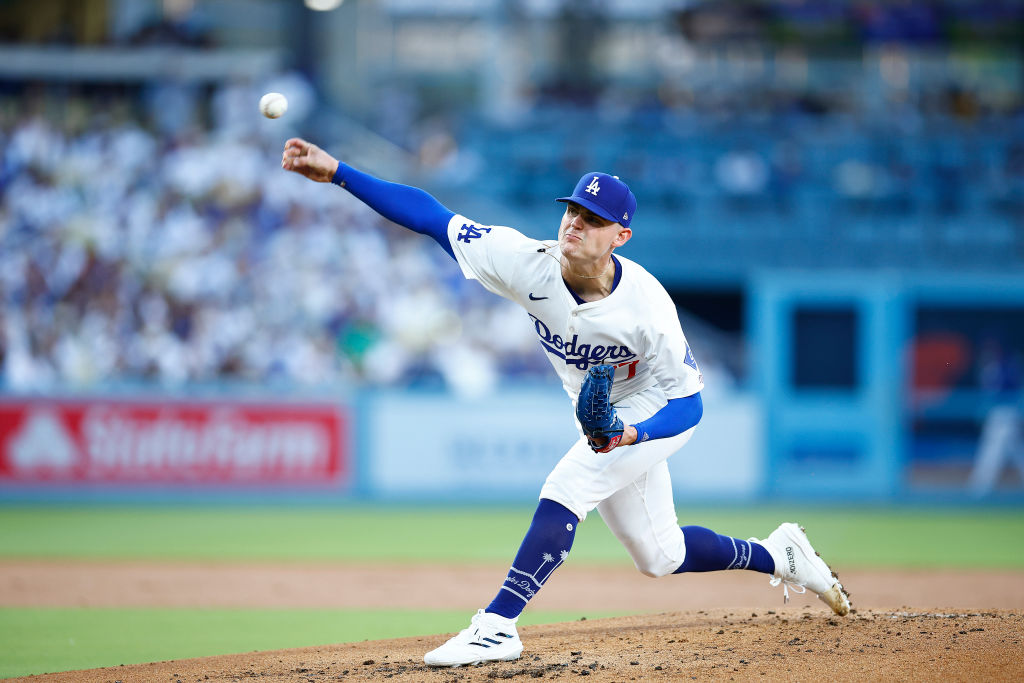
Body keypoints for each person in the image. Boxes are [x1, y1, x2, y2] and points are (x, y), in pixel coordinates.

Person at [280, 138, 851, 667]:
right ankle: (780, 555)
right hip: (603, 418)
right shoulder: (524, 260)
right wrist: (337, 173)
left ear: (620, 236)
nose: (577, 223)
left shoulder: (648, 308)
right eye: (574, 210)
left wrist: (630, 435)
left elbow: (690, 406)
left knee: (568, 486)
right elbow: (431, 215)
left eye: (594, 219)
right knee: (660, 555)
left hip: (653, 413)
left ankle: (498, 625)